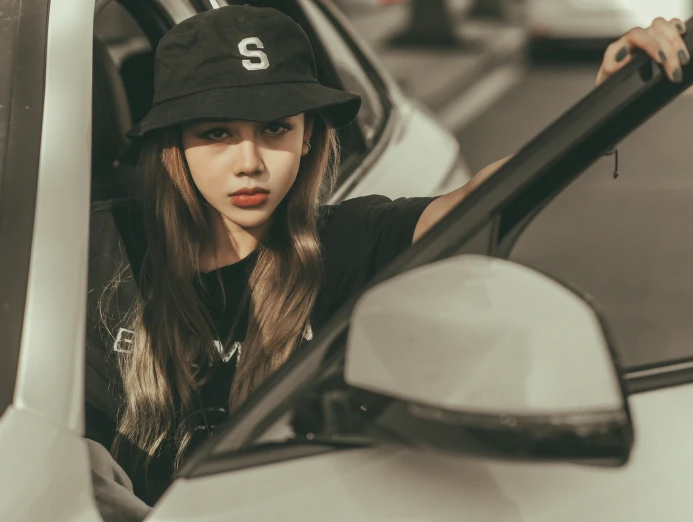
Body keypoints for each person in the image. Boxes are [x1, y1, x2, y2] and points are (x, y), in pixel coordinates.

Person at [86, 5, 690, 519]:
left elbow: (480, 198)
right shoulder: (98, 246)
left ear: (310, 137)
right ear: (173, 146)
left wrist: (603, 103)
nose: (250, 160)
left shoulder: (338, 242)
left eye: (275, 128)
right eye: (216, 133)